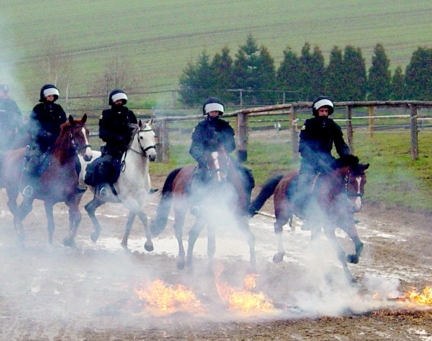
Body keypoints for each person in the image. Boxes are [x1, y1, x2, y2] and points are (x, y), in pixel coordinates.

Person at [188, 96, 254, 214]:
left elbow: (231, 144)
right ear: (207, 112)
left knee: (246, 174)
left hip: (223, 157)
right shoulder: (200, 128)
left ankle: (245, 202)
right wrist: (203, 159)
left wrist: (224, 149)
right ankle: (196, 204)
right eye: (212, 111)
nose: (214, 113)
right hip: (206, 158)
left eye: (216, 111)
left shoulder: (225, 126)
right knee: (197, 178)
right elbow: (193, 148)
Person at [295, 96, 350, 217]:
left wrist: (347, 158)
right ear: (316, 111)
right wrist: (317, 161)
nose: (324, 114)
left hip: (328, 160)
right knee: (304, 182)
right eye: (321, 111)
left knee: (343, 180)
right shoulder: (308, 125)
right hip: (310, 162)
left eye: (326, 111)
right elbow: (303, 147)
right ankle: (303, 211)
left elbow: (340, 145)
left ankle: (345, 210)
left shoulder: (333, 126)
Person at [22, 84, 67, 197]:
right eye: (49, 96)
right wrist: (45, 135)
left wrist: (59, 136)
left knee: (73, 160)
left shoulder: (58, 109)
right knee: (33, 161)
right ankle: (29, 186)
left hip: (57, 144)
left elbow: (64, 125)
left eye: (53, 96)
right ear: (44, 96)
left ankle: (74, 185)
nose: (51, 97)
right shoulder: (38, 109)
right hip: (40, 143)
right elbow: (31, 126)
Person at [96, 89, 137, 197]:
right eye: (117, 100)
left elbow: (135, 128)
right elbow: (102, 133)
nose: (119, 102)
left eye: (121, 100)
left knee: (140, 163)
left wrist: (128, 138)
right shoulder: (107, 114)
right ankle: (103, 187)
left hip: (128, 146)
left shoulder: (129, 114)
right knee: (106, 164)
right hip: (113, 147)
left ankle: (143, 187)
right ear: (112, 101)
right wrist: (116, 138)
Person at [0, 84, 23, 152]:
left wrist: (13, 129)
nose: (5, 93)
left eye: (6, 91)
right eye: (3, 92)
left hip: (11, 133)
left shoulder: (12, 103)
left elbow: (18, 117)